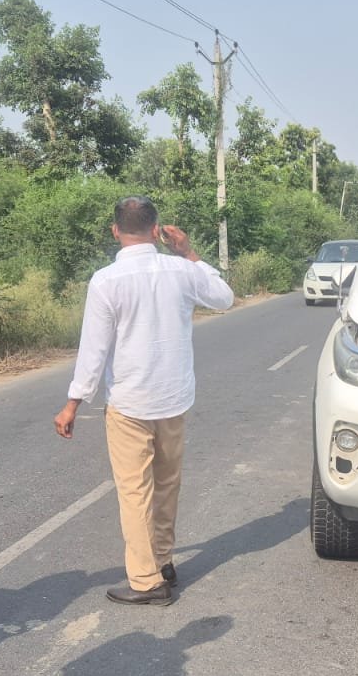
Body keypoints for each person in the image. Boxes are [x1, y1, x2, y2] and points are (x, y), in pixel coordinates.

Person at [53, 196, 234, 605]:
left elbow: (94, 350)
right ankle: (164, 560)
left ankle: (146, 580)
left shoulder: (106, 280)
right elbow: (224, 297)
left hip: (131, 402)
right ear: (157, 231)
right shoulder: (181, 270)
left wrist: (73, 404)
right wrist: (189, 253)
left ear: (116, 231)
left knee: (135, 492)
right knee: (167, 484)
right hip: (173, 399)